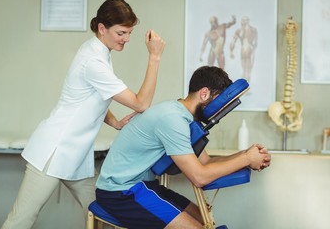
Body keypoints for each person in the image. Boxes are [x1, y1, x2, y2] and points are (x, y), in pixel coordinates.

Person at [1, 0, 165, 229]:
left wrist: (114, 122)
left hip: (76, 155)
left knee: (104, 213)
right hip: (54, 150)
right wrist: (155, 57)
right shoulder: (93, 61)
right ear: (102, 28)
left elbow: (93, 97)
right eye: (121, 33)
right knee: (21, 219)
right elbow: (140, 103)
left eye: (129, 33)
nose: (127, 39)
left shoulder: (97, 52)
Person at [95, 65, 271, 229]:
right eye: (218, 102)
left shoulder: (183, 117)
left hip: (144, 185)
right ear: (204, 94)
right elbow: (199, 177)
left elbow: (206, 162)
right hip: (120, 193)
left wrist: (247, 156)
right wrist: (246, 158)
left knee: (205, 220)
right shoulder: (173, 120)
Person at [230, 16, 258, 82]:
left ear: (248, 21)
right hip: (243, 49)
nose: (244, 22)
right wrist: (231, 51)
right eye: (243, 20)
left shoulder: (253, 30)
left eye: (245, 20)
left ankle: (247, 78)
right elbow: (233, 41)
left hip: (249, 48)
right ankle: (246, 79)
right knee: (244, 67)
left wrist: (253, 50)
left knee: (248, 67)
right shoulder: (239, 30)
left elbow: (256, 42)